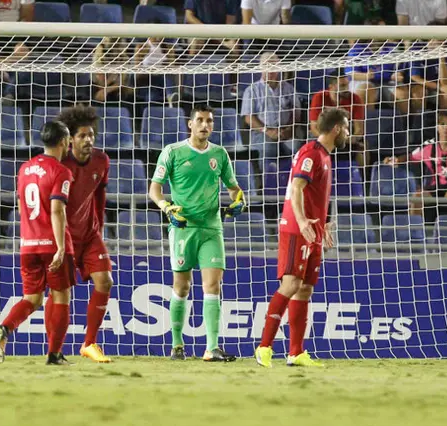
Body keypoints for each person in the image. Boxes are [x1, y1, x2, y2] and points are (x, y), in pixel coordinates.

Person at [149, 105, 246, 362]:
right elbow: (154, 189)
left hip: (211, 228)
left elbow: (233, 188)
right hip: (183, 227)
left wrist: (239, 200)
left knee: (213, 285)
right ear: (190, 124)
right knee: (182, 287)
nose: (205, 125)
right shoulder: (173, 152)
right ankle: (177, 344)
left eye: (209, 121)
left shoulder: (219, 154)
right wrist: (166, 207)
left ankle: (211, 348)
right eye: (200, 120)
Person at [255, 108, 350, 368]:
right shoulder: (311, 153)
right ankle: (264, 347)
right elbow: (296, 187)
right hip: (298, 229)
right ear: (336, 129)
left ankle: (295, 352)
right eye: (346, 127)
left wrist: (324, 223)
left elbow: (314, 194)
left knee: (305, 288)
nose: (348, 132)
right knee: (290, 284)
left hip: (312, 229)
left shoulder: (324, 155)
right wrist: (302, 220)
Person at [0, 120, 75, 366]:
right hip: (51, 244)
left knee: (32, 298)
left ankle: (5, 328)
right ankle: (54, 354)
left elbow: (21, 208)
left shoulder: (25, 168)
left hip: (28, 244)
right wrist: (61, 247)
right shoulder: (61, 171)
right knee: (60, 297)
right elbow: (57, 210)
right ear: (63, 141)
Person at [57, 106, 114, 364]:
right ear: (70, 139)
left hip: (90, 235)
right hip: (64, 237)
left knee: (105, 281)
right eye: (82, 135)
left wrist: (99, 228)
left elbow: (100, 195)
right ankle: (55, 348)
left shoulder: (102, 160)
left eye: (91, 135)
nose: (88, 140)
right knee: (60, 292)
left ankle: (89, 343)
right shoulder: (61, 164)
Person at [385, 111, 447, 220]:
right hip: (435, 188)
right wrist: (395, 160)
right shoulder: (429, 146)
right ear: (437, 127)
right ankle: (415, 230)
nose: (446, 128)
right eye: (442, 124)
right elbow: (410, 157)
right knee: (416, 198)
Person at [240, 52, 301, 172]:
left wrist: (289, 129)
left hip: (286, 132)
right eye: (267, 66)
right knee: (268, 148)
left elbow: (296, 113)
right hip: (262, 133)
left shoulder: (288, 88)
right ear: (261, 68)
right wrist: (268, 131)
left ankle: (293, 178)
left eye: (274, 66)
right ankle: (268, 179)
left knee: (296, 146)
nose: (271, 70)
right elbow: (248, 118)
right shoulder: (251, 90)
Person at [308, 71, 365, 164]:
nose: (347, 89)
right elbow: (314, 127)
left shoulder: (355, 99)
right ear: (331, 86)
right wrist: (328, 139)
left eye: (347, 85)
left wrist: (350, 138)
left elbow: (359, 129)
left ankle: (362, 173)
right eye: (342, 86)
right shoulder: (319, 97)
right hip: (324, 135)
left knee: (363, 148)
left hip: (346, 136)